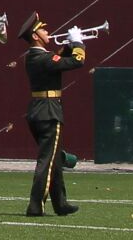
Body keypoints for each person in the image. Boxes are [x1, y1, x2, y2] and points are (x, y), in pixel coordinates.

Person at [21, 14, 85, 217]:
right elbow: (76, 62)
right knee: (47, 160)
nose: (48, 32)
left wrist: (68, 45)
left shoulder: (34, 57)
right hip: (49, 110)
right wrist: (77, 43)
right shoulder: (43, 57)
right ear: (36, 35)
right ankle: (35, 204)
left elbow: (59, 60)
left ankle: (60, 203)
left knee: (54, 159)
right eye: (43, 30)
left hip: (38, 110)